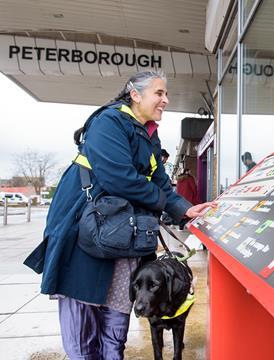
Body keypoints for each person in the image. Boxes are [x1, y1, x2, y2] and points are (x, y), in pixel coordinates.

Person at [23, 70, 216, 360]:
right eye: (159, 93)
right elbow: (120, 179)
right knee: (83, 318)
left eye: (166, 93)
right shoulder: (109, 122)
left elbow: (160, 182)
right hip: (84, 229)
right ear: (135, 95)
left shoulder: (149, 134)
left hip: (121, 234)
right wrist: (166, 203)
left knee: (116, 320)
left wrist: (185, 209)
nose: (166, 99)